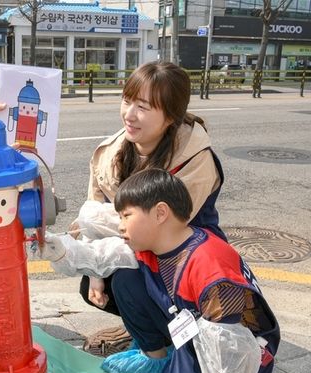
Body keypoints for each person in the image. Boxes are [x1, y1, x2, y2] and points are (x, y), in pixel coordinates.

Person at [40, 61, 226, 355]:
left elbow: (159, 236)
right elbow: (94, 211)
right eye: (127, 101)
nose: (129, 114)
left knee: (127, 279)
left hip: (185, 259)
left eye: (143, 107)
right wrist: (95, 271)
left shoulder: (194, 160)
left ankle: (157, 355)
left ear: (171, 117)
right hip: (139, 246)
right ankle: (151, 329)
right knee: (96, 283)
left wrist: (83, 256)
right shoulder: (110, 153)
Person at [102, 168, 279, 373]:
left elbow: (229, 348)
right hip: (195, 330)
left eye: (126, 215)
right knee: (125, 279)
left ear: (160, 213)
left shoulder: (210, 266)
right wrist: (62, 250)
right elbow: (101, 255)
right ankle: (162, 362)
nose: (120, 226)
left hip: (237, 351)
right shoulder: (160, 244)